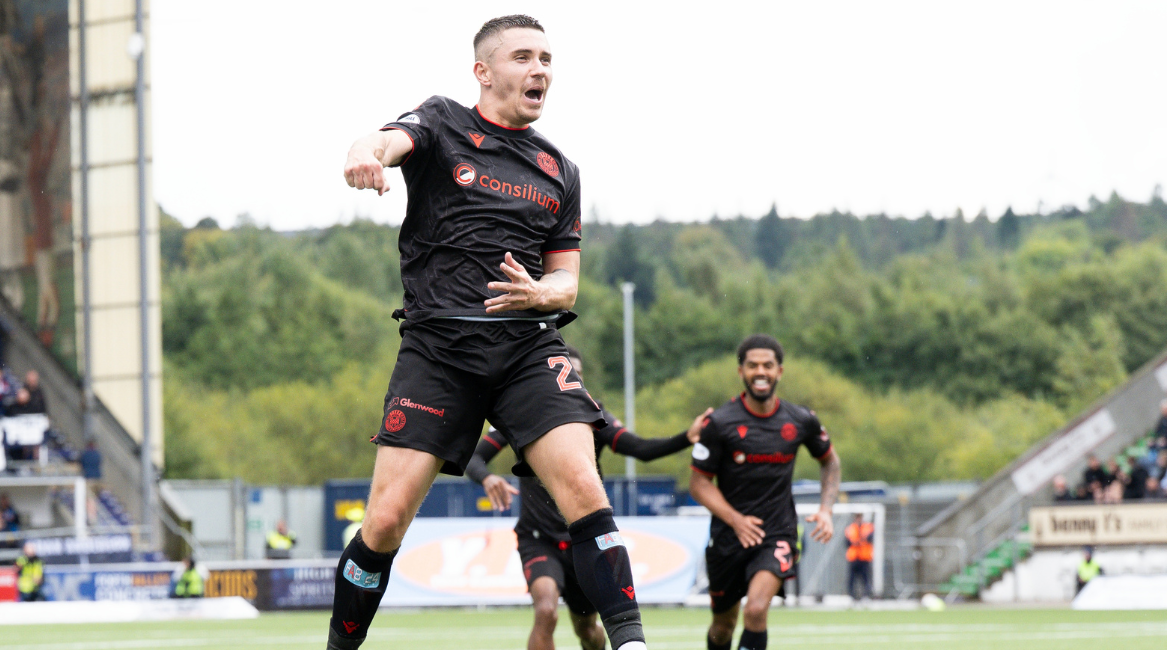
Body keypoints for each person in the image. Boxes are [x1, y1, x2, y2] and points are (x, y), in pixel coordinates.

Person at [333, 15, 647, 650]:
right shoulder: (444, 120)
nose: (540, 70)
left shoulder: (559, 168)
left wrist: (540, 294)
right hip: (438, 349)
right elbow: (387, 139)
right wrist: (363, 153)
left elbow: (567, 283)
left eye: (548, 60)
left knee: (584, 486)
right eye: (524, 57)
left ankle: (634, 644)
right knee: (386, 520)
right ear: (484, 71)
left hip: (528, 347)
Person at [466, 346, 707, 650]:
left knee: (588, 631)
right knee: (546, 611)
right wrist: (487, 477)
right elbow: (474, 458)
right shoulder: (521, 412)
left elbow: (640, 449)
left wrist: (687, 437)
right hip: (539, 538)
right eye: (565, 370)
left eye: (576, 373)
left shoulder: (593, 415)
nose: (570, 377)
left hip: (583, 539)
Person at [689, 335, 842, 650]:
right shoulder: (719, 423)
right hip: (729, 537)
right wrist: (736, 520)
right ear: (740, 371)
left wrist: (826, 509)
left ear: (780, 372)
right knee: (722, 627)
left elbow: (830, 462)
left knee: (756, 609)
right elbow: (699, 483)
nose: (761, 372)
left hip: (778, 533)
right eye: (753, 365)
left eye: (768, 365)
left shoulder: (801, 420)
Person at [844, 513, 874, 602]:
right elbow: (847, 543)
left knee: (865, 578)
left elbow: (870, 538)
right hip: (854, 557)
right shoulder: (850, 528)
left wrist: (859, 541)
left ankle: (866, 596)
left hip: (864, 557)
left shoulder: (868, 527)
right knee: (852, 578)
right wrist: (858, 541)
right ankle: (851, 596)